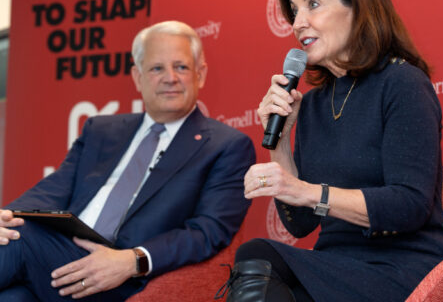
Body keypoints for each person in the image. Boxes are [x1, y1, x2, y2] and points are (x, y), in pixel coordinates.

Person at [217, 0, 443, 302]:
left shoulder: (402, 83)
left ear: (358, 7)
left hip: (402, 267)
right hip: (335, 266)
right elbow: (300, 224)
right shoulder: (313, 104)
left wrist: (308, 192)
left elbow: (409, 205)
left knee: (259, 256)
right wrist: (280, 142)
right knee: (261, 267)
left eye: (313, 4)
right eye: (294, 12)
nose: (298, 23)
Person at [0, 20, 255, 301]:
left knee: (19, 242)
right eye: (157, 68)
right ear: (137, 77)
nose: (170, 77)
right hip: (62, 252)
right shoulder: (101, 130)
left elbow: (207, 231)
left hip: (123, 275)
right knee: (13, 290)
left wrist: (133, 260)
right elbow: (54, 189)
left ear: (200, 74)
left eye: (181, 67)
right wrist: (7, 218)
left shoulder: (226, 146)